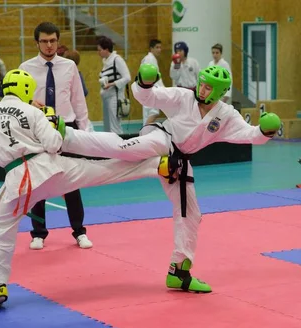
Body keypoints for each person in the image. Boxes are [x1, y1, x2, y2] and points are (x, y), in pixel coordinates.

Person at [61, 64, 281, 293]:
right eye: (201, 84)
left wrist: (264, 131)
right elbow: (149, 96)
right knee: (122, 147)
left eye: (207, 87)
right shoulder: (183, 97)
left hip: (179, 162)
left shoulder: (226, 116)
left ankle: (179, 272)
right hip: (161, 140)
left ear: (218, 92)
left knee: (191, 214)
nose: (201, 89)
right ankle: (68, 136)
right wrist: (145, 82)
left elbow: (248, 134)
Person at [0, 69, 171, 308]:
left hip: (15, 181)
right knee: (100, 171)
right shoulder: (33, 111)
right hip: (48, 170)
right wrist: (48, 119)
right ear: (26, 89)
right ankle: (157, 165)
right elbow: (54, 143)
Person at [20, 22, 92, 251]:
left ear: (58, 41)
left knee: (72, 179)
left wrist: (86, 133)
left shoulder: (69, 66)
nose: (49, 45)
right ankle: (38, 233)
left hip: (66, 125)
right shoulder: (26, 67)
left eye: (53, 41)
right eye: (44, 41)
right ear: (36, 42)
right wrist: (29, 103)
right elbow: (18, 101)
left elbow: (79, 101)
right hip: (38, 128)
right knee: (38, 181)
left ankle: (79, 231)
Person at [140, 39, 164, 125]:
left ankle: (145, 133)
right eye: (157, 47)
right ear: (151, 49)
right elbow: (150, 77)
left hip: (148, 91)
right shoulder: (149, 59)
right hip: (150, 90)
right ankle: (144, 133)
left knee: (150, 113)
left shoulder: (150, 59)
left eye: (160, 47)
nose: (159, 50)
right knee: (153, 112)